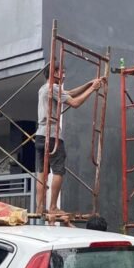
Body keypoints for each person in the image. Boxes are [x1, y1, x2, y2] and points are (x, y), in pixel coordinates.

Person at [35, 64, 104, 216]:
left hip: (40, 134)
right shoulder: (53, 88)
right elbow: (75, 102)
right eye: (62, 72)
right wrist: (93, 89)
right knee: (58, 170)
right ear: (54, 73)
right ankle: (53, 206)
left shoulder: (44, 88)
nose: (64, 75)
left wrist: (88, 84)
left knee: (42, 172)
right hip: (52, 135)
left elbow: (70, 93)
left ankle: (40, 207)